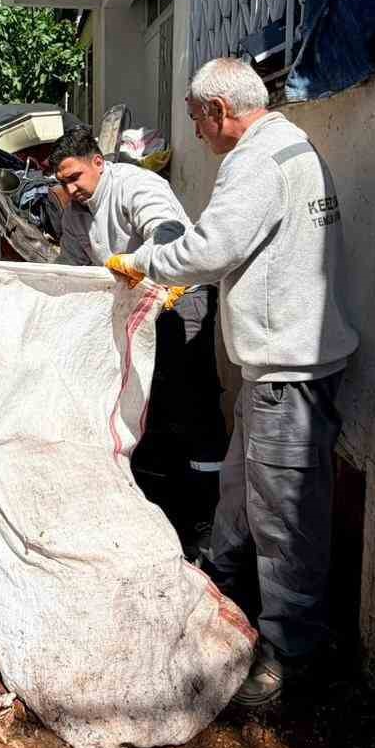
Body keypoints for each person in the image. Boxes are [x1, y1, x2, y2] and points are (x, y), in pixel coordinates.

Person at [107, 56, 357, 708]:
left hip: (289, 371)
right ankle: (221, 584)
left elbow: (210, 249)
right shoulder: (293, 148)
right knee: (241, 489)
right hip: (279, 365)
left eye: (194, 119)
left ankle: (292, 653)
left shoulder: (254, 161)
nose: (195, 133)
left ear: (220, 111)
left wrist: (141, 263)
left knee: (284, 515)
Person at [47, 128, 230, 552]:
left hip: (180, 296)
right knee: (147, 399)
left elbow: (165, 231)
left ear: (98, 162)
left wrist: (140, 262)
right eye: (63, 182)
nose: (70, 189)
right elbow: (72, 271)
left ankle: (208, 523)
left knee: (192, 401)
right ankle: (161, 506)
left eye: (75, 177)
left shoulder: (136, 184)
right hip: (136, 307)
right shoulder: (76, 216)